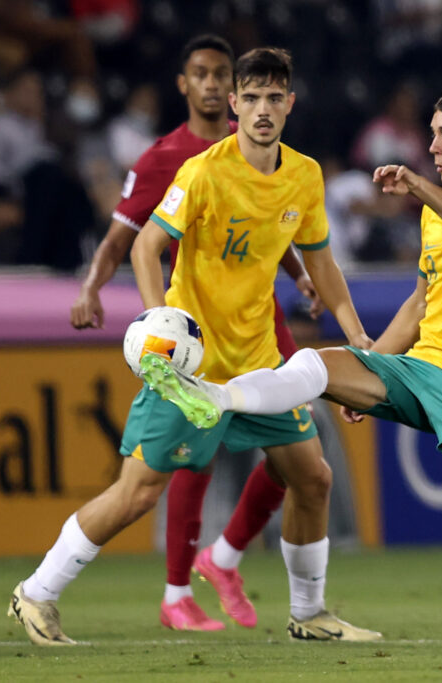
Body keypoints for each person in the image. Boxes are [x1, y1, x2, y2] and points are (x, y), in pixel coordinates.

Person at [146, 82, 442, 655]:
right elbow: (419, 304)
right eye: (432, 136)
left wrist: (422, 188)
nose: (436, 147)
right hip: (420, 369)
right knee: (318, 364)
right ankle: (215, 398)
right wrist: (369, 369)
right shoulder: (439, 214)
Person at [9, 46, 381, 645]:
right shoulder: (204, 170)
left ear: (289, 104)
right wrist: (164, 324)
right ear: (234, 104)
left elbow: (321, 262)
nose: (262, 109)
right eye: (251, 98)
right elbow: (144, 246)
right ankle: (37, 592)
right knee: (137, 493)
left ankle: (309, 614)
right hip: (192, 371)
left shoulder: (305, 176)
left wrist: (355, 328)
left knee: (312, 478)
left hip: (259, 366)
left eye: (273, 98)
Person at [69, 35, 328, 633]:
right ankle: (178, 589)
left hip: (263, 319)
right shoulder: (172, 160)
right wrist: (94, 288)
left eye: (219, 74)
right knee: (190, 461)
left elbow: (275, 227)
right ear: (188, 87)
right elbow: (127, 238)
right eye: (202, 76)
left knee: (301, 456)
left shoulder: (286, 162)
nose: (212, 85)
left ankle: (228, 557)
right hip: (195, 327)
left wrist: (304, 276)